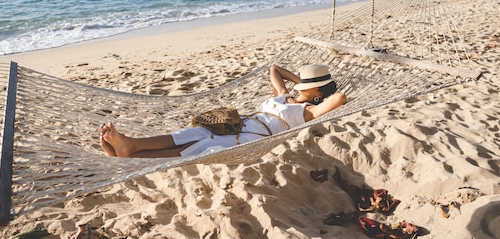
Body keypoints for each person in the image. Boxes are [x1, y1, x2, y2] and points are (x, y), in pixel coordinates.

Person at [100, 64, 347, 158]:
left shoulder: (306, 111)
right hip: (237, 122)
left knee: (204, 148)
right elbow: (275, 69)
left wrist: (313, 95)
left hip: (253, 136)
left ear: (317, 94)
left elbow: (339, 98)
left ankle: (133, 155)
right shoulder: (282, 95)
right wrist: (301, 83)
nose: (300, 86)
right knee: (190, 133)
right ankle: (132, 144)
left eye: (308, 85)